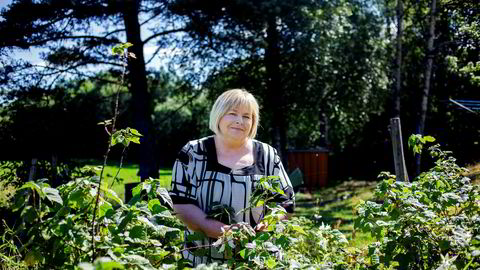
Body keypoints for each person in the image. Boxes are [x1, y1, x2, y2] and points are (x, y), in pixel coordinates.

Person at [168, 89, 295, 266]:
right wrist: (221, 231)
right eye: (232, 113)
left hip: (257, 258)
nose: (239, 121)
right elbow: (180, 203)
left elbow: (286, 202)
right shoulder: (193, 152)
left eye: (246, 116)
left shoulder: (267, 155)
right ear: (218, 115)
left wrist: (268, 223)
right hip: (204, 258)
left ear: (253, 122)